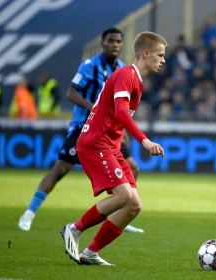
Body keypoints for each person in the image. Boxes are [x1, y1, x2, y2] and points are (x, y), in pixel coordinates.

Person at [18, 28, 143, 233]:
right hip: (84, 128)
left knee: (133, 167)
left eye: (119, 42)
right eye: (111, 41)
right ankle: (29, 213)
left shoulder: (122, 69)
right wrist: (94, 107)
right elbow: (71, 93)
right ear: (103, 43)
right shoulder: (89, 66)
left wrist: (123, 128)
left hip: (110, 131)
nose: (115, 45)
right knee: (60, 169)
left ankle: (119, 212)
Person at [61, 31, 167, 266]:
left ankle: (90, 253)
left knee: (133, 205)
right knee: (123, 196)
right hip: (95, 143)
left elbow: (117, 116)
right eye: (160, 55)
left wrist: (121, 138)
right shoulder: (125, 75)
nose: (163, 60)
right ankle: (74, 229)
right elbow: (120, 112)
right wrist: (145, 141)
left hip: (110, 145)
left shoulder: (136, 81)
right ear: (146, 53)